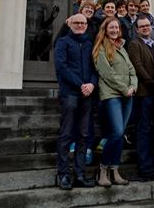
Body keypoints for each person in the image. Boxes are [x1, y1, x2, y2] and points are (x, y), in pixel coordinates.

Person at [93, 17, 138, 186]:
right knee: (117, 132)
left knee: (120, 135)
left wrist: (133, 86)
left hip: (128, 95)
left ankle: (115, 169)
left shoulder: (121, 47)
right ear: (105, 29)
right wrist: (124, 88)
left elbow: (131, 69)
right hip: (112, 95)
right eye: (111, 27)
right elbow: (106, 73)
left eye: (116, 27)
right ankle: (102, 169)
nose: (114, 30)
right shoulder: (101, 46)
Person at [54, 14, 98, 190]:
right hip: (70, 93)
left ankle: (80, 174)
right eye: (77, 23)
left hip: (87, 94)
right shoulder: (63, 42)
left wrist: (93, 84)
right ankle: (63, 174)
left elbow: (96, 68)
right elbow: (61, 67)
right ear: (70, 24)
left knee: (83, 135)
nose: (80, 25)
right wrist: (81, 84)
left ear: (86, 25)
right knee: (66, 135)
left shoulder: (89, 44)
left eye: (83, 23)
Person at [128, 15, 154, 180]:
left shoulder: (153, 45)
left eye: (147, 25)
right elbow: (138, 67)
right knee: (143, 131)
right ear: (137, 29)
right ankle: (145, 168)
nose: (145, 28)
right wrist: (152, 84)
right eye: (142, 26)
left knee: (153, 130)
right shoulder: (135, 44)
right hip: (144, 94)